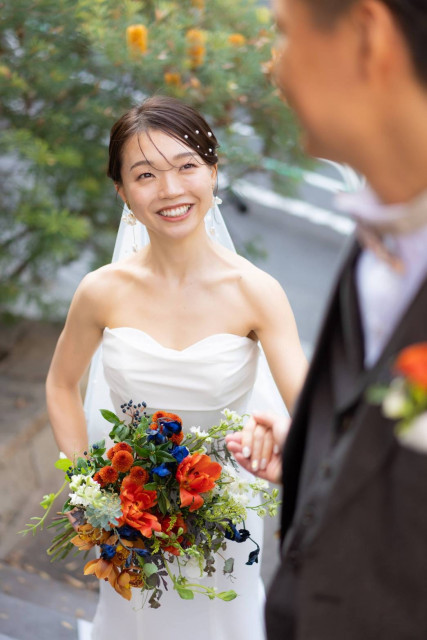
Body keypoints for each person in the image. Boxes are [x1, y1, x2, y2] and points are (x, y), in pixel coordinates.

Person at [46, 95, 307, 640]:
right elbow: (60, 383)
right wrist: (86, 491)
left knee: (223, 620)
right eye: (145, 174)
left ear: (213, 171)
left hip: (225, 514)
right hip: (128, 512)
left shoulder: (257, 293)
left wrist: (282, 435)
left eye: (187, 166)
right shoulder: (101, 291)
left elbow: (308, 410)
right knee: (132, 620)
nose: (170, 191)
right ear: (122, 190)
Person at [226, 0, 427, 638]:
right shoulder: (378, 236)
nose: (274, 66)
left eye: (285, 34)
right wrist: (327, 454)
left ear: (367, 36)